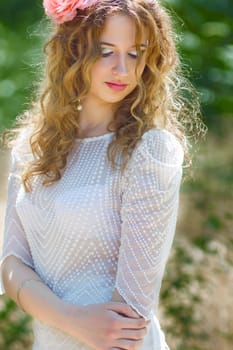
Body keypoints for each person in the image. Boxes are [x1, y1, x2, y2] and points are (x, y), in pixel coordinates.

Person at [0, 0, 204, 349]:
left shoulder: (149, 151)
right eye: (106, 51)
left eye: (136, 54)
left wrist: (79, 326)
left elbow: (131, 311)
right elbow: (11, 262)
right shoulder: (30, 148)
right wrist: (70, 319)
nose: (122, 70)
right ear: (74, 50)